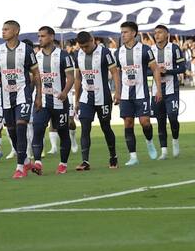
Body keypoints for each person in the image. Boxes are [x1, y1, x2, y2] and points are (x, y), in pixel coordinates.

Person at [0, 20, 42, 179]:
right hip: (6, 98)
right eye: (2, 29)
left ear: (16, 31)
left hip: (23, 94)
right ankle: (26, 161)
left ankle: (20, 167)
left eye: (6, 29)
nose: (3, 32)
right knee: (12, 132)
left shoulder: (26, 50)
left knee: (21, 126)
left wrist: (38, 96)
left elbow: (36, 74)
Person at [115, 21, 161, 166]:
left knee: (145, 122)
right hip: (125, 94)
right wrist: (117, 92)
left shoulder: (145, 49)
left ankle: (149, 141)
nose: (123, 35)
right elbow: (116, 73)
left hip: (142, 93)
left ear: (134, 33)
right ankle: (133, 156)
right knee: (128, 123)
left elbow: (155, 69)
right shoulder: (118, 52)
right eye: (122, 32)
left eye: (126, 32)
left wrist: (158, 89)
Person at [73, 31, 119, 171]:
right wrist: (77, 100)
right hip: (86, 97)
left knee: (106, 127)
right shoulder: (78, 55)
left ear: (93, 40)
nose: (84, 49)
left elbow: (115, 72)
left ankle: (113, 157)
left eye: (86, 46)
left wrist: (118, 92)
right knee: (85, 127)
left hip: (103, 96)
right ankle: (85, 161)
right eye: (82, 47)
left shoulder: (104, 53)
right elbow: (78, 78)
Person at [32, 26, 75, 175]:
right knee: (37, 129)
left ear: (51, 37)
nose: (40, 39)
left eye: (43, 36)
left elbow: (71, 77)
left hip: (59, 101)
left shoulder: (63, 56)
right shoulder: (36, 57)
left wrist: (65, 92)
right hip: (41, 101)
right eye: (39, 36)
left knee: (63, 133)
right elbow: (34, 78)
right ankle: (37, 162)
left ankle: (63, 163)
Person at [150, 25, 186, 159]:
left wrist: (167, 71)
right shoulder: (150, 50)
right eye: (155, 33)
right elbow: (146, 70)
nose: (157, 35)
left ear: (166, 34)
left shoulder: (174, 48)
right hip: (156, 90)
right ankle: (164, 151)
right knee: (160, 120)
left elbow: (182, 68)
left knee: (172, 117)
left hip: (172, 89)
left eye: (159, 32)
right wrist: (156, 72)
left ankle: (175, 141)